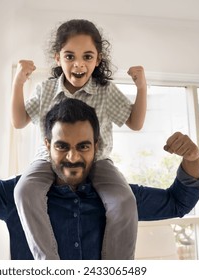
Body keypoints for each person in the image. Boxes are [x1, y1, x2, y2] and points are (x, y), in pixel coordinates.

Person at [0, 98, 199, 260]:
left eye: (83, 146)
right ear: (47, 146)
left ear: (96, 147)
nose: (72, 157)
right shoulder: (16, 195)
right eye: (62, 146)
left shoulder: (120, 198)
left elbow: (177, 203)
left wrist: (193, 158)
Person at [11, 19, 147, 260]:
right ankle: (49, 263)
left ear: (98, 59)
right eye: (70, 56)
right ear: (57, 58)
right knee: (24, 191)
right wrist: (19, 81)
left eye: (87, 56)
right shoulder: (46, 90)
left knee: (125, 201)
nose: (78, 64)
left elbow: (135, 123)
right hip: (48, 160)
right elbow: (19, 120)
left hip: (98, 161)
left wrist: (142, 88)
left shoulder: (105, 91)